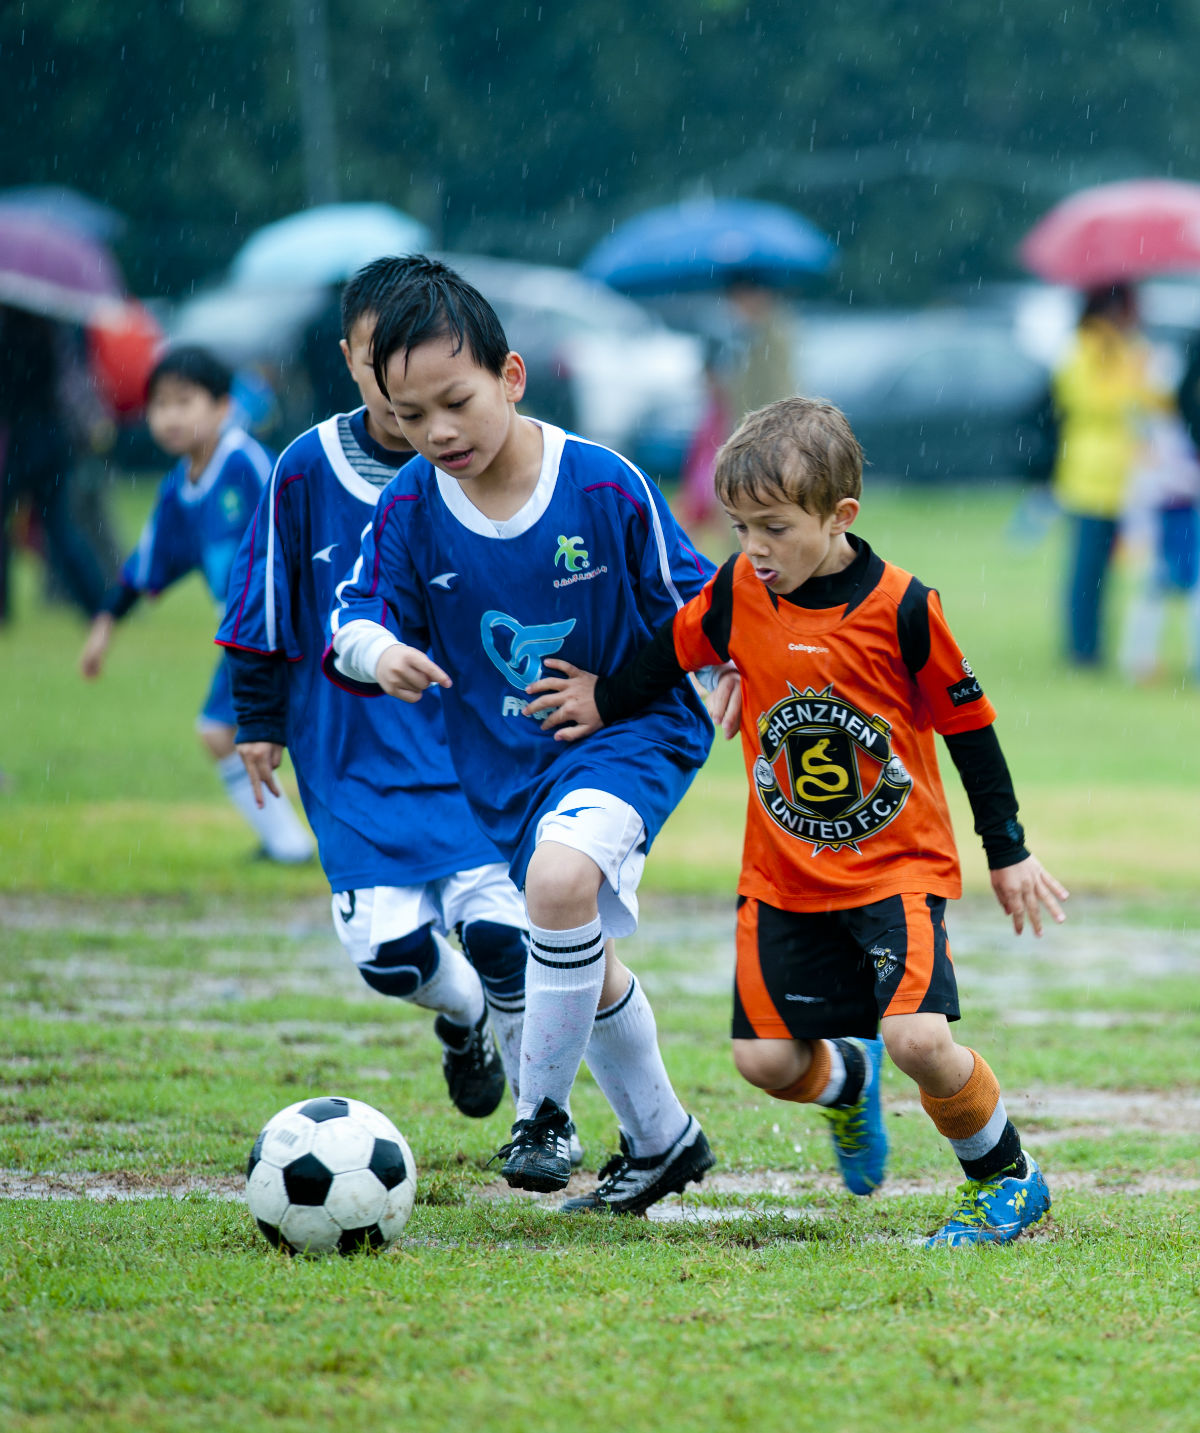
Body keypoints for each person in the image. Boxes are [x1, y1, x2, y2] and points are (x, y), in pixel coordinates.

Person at [527, 395, 1070, 1247]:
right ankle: (847, 1082)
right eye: (741, 528)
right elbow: (674, 649)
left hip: (897, 870)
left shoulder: (904, 610)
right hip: (783, 878)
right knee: (766, 1063)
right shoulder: (741, 590)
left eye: (774, 528)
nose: (754, 549)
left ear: (839, 516)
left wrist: (1008, 851)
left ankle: (1007, 1178)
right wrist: (603, 695)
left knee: (919, 1039)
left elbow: (971, 730)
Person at [320, 255, 723, 1215]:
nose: (437, 432)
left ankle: (540, 1112)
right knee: (574, 936)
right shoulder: (411, 507)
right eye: (408, 418)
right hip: (506, 773)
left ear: (511, 377)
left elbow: (705, 603)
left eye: (455, 402)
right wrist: (380, 654)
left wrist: (703, 678)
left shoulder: (603, 484)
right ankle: (664, 1138)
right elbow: (353, 615)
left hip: (636, 733)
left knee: (556, 885)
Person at [215, 257, 529, 1123]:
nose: (404, 388)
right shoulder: (305, 467)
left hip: (471, 753)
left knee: (507, 941)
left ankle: (547, 1119)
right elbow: (265, 597)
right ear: (354, 359)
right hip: (351, 764)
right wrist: (257, 719)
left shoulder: (486, 458)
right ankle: (463, 1019)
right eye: (374, 356)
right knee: (391, 959)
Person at [78, 345, 313, 866]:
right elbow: (146, 564)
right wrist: (104, 625)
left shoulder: (246, 463)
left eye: (185, 402)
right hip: (248, 638)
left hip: (292, 625)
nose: (170, 417)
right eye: (159, 405)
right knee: (225, 731)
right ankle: (291, 844)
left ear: (224, 407)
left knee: (287, 731)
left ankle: (302, 842)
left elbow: (299, 530)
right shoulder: (179, 489)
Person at [1051, 283, 1168, 667]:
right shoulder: (1083, 348)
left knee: (1116, 571)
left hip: (1129, 478)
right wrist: (1133, 379)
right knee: (1087, 570)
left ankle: (1103, 646)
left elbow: (1156, 403)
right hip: (1090, 477)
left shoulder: (1130, 350)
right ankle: (1083, 649)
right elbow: (1089, 400)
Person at [0, 303, 109, 623]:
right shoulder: (53, 328)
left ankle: (3, 606)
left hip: (17, 442)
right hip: (51, 439)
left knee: (35, 526)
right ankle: (96, 603)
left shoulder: (9, 331)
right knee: (61, 529)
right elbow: (69, 383)